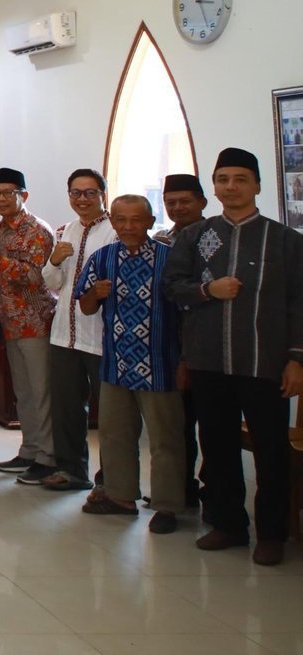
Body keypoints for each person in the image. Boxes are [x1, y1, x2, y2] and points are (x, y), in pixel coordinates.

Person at [167, 149, 303, 565]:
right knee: (218, 446)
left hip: (265, 364)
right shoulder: (194, 237)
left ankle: (272, 534)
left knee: (271, 451)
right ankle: (228, 525)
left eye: (240, 179)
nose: (231, 187)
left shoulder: (286, 240)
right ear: (214, 186)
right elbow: (172, 288)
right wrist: (208, 290)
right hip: (209, 362)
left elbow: (298, 304)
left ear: (257, 185)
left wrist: (296, 359)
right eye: (223, 179)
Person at [75, 196, 185, 532]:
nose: (128, 226)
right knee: (114, 434)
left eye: (136, 219)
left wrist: (186, 361)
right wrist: (95, 293)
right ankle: (120, 497)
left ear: (150, 222)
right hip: (116, 363)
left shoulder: (170, 258)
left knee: (165, 439)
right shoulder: (103, 257)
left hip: (160, 363)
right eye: (120, 219)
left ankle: (167, 505)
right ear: (113, 221)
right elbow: (86, 307)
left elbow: (187, 312)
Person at [0, 168, 58, 483]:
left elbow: (35, 276)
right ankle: (30, 449)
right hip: (9, 322)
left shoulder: (38, 230)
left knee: (42, 392)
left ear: (24, 195)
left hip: (36, 321)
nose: (1, 199)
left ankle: (49, 456)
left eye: (8, 193)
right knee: (23, 393)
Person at [40, 168, 116, 492]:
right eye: (75, 193)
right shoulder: (66, 230)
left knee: (111, 414)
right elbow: (53, 283)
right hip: (64, 334)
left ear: (102, 195)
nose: (82, 199)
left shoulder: (115, 231)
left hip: (101, 336)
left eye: (89, 193)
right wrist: (54, 261)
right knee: (67, 408)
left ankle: (112, 481)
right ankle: (71, 470)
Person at [155, 172, 209, 515]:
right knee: (177, 425)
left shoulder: (214, 236)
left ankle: (214, 494)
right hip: (168, 344)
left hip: (204, 344)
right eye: (170, 202)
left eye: (184, 201)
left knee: (212, 427)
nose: (177, 208)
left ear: (202, 201)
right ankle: (181, 491)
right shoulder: (162, 240)